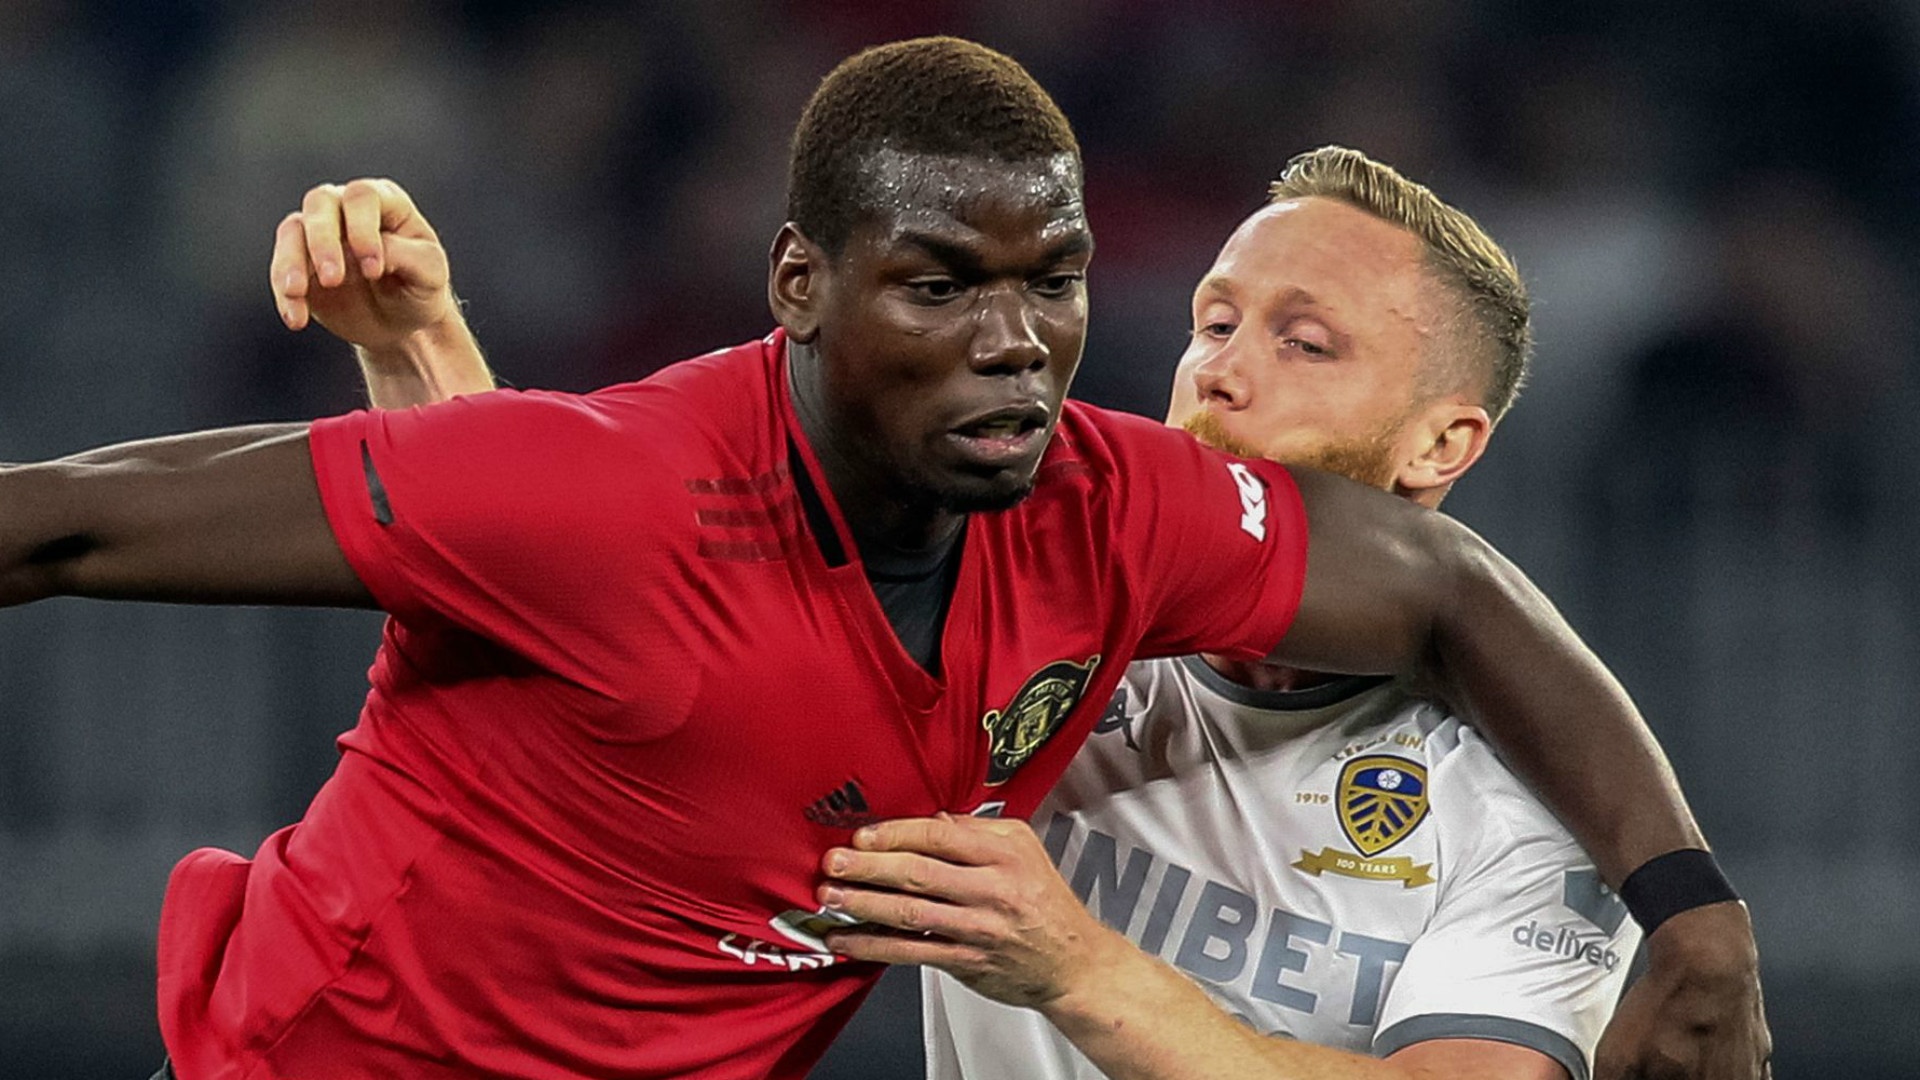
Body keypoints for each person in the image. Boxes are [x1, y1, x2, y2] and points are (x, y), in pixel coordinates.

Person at [1, 37, 1758, 1080]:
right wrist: (434, 387)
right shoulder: (642, 497)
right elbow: (76, 520)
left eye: (1055, 283)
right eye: (940, 286)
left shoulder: (1139, 546)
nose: (1018, 343)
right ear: (801, 286)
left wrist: (1692, 911)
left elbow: (1451, 590)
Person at [815, 148, 1649, 1080]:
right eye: (1214, 324)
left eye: (1306, 344)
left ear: (1439, 444)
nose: (1219, 372)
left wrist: (1077, 968)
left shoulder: (1529, 806)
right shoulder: (1018, 592)